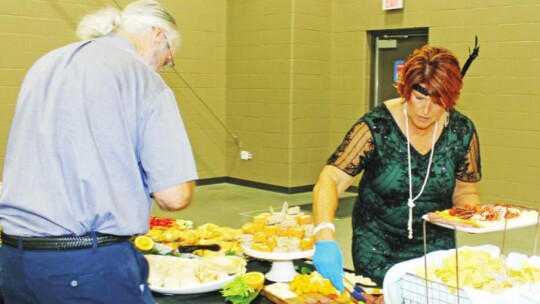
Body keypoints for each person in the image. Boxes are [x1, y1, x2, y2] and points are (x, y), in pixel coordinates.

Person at [0, 1, 198, 303]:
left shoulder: (46, 64)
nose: (161, 68)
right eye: (167, 60)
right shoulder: (142, 78)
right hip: (85, 266)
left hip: (15, 261)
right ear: (158, 36)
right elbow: (174, 196)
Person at [311, 45, 482, 295]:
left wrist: (474, 216)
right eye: (420, 98)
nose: (426, 110)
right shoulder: (377, 126)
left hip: (435, 247)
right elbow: (332, 178)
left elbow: (465, 190)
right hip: (377, 244)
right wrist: (324, 235)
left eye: (437, 102)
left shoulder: (461, 130)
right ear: (406, 91)